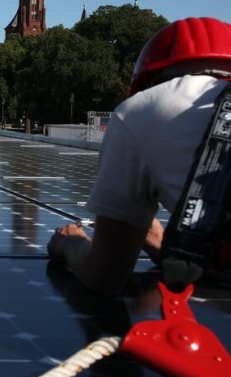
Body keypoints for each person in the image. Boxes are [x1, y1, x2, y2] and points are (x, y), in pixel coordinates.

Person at [48, 17, 231, 294]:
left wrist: (69, 242)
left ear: (147, 79)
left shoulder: (141, 110)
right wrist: (177, 247)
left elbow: (104, 275)